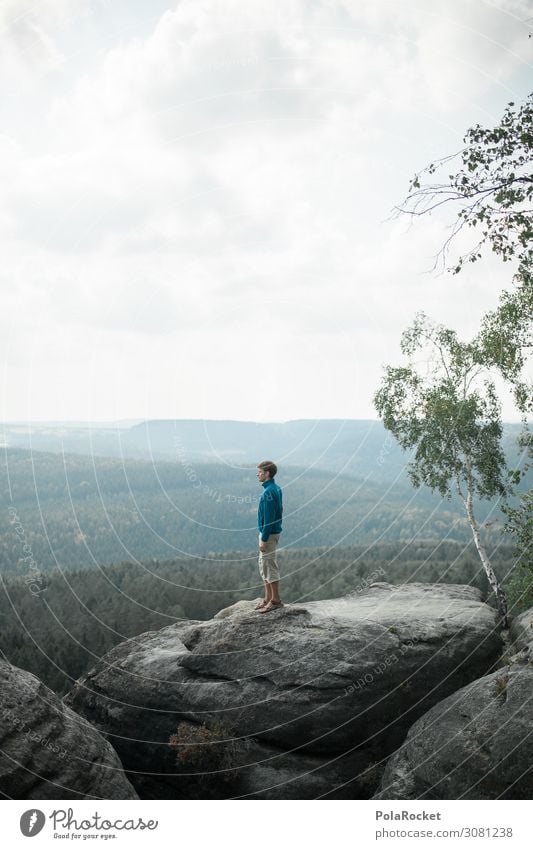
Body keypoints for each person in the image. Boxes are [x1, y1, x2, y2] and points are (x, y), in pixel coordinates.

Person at [255, 460, 283, 613]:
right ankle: (267, 598)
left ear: (267, 473)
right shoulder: (275, 488)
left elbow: (270, 517)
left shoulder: (269, 492)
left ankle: (276, 600)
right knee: (263, 566)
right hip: (270, 533)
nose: (257, 474)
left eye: (259, 472)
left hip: (269, 534)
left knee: (269, 566)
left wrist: (264, 538)